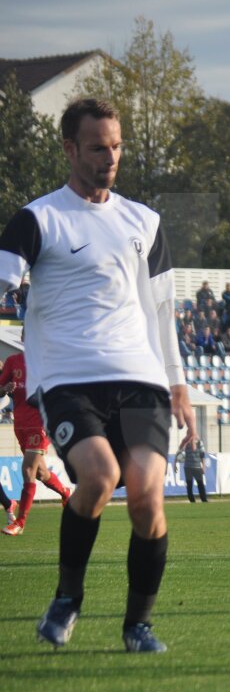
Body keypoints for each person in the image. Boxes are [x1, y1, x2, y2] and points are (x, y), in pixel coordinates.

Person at [0, 98, 196, 653]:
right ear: (69, 149)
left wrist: (177, 382)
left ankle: (138, 625)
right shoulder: (38, 219)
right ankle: (68, 597)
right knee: (99, 475)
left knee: (147, 500)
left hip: (141, 378)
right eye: (96, 147)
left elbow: (161, 310)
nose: (109, 157)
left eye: (116, 146)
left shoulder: (145, 221)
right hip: (68, 378)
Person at [0, 342, 73, 535]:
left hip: (39, 425)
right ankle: (65, 492)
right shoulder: (13, 362)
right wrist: (5, 388)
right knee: (40, 473)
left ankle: (20, 523)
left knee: (27, 470)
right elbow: (0, 390)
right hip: (20, 426)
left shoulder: (48, 362)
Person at [177, 437, 208, 503]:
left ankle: (204, 499)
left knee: (200, 484)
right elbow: (179, 452)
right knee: (189, 485)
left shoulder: (199, 442)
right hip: (188, 467)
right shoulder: (185, 442)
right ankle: (192, 500)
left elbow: (202, 455)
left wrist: (204, 466)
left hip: (197, 467)